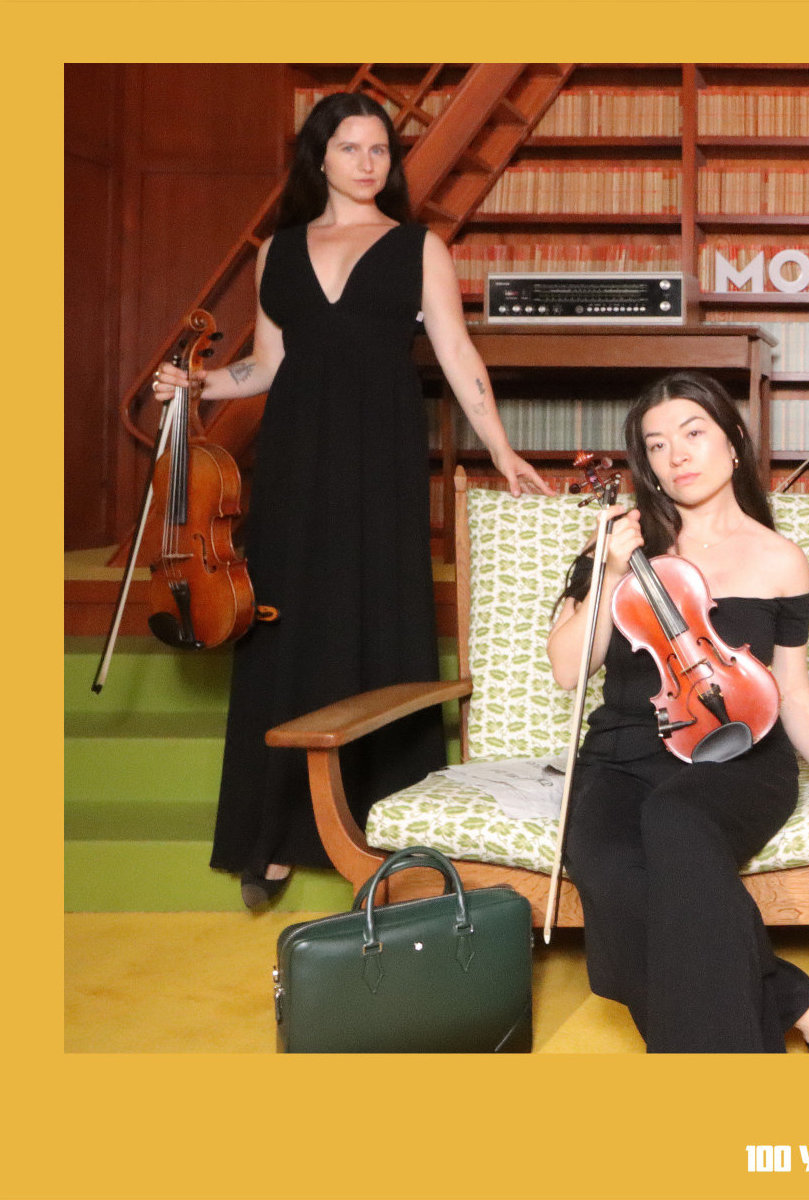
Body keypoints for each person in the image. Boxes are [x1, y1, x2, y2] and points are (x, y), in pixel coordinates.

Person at [152, 92, 553, 909]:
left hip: (380, 453)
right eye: (351, 148)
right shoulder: (277, 252)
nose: (369, 163)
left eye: (380, 150)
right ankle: (271, 836)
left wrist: (501, 449)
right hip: (295, 454)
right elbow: (268, 366)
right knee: (285, 619)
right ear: (320, 158)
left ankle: (391, 828)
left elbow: (458, 354)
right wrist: (199, 382)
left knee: (377, 613)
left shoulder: (419, 247)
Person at [548, 370, 809, 1053]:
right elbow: (567, 671)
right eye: (657, 445)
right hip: (622, 755)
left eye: (693, 433)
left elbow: (792, 689)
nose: (677, 455)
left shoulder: (781, 560)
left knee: (676, 821)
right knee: (609, 872)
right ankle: (804, 1008)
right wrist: (609, 572)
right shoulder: (616, 549)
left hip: (739, 754)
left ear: (732, 442)